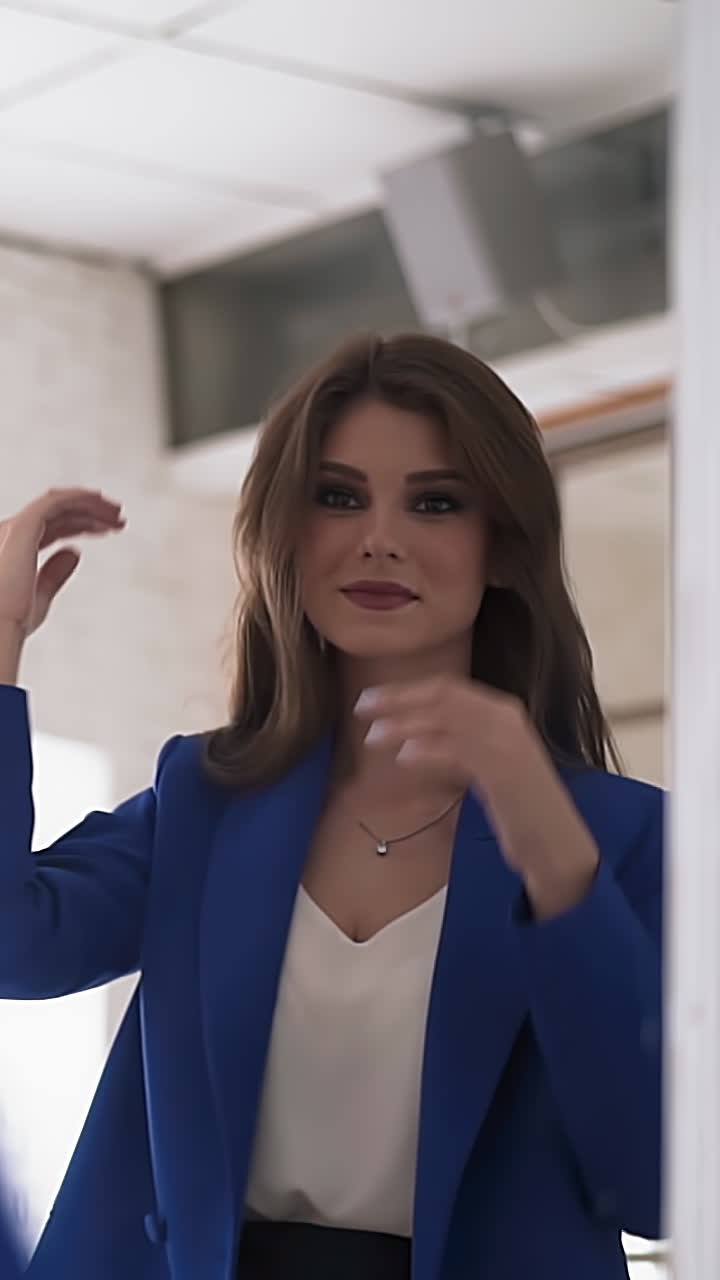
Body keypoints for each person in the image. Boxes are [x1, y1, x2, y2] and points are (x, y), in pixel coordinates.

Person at [0, 333, 663, 1280]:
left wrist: (550, 846)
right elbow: (11, 946)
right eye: (338, 496)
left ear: (504, 549)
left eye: (433, 502)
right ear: (288, 535)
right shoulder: (204, 800)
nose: (377, 537)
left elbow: (658, 1185)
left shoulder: (624, 839)